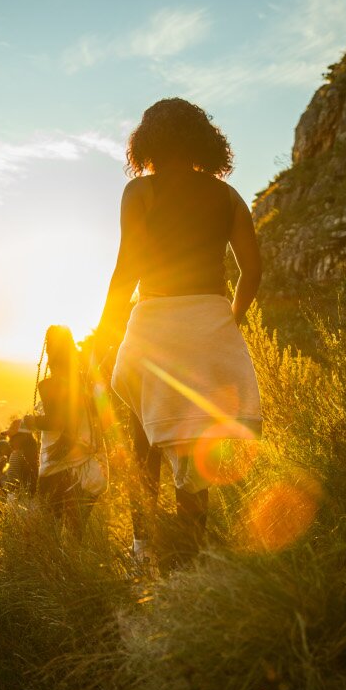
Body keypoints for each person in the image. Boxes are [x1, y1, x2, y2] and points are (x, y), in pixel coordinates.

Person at [93, 97, 262, 567]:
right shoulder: (227, 196)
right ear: (202, 140)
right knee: (196, 442)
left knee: (142, 434)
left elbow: (128, 265)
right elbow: (252, 270)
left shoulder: (140, 192)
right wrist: (232, 316)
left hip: (156, 323)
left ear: (147, 142)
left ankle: (142, 549)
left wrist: (107, 330)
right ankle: (193, 555)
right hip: (210, 322)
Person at [23, 325, 106, 535]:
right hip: (90, 466)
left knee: (47, 532)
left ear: (49, 351)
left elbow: (57, 421)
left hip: (58, 466)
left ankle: (55, 569)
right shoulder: (85, 381)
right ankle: (76, 566)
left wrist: (31, 421)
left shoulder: (49, 385)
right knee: (75, 532)